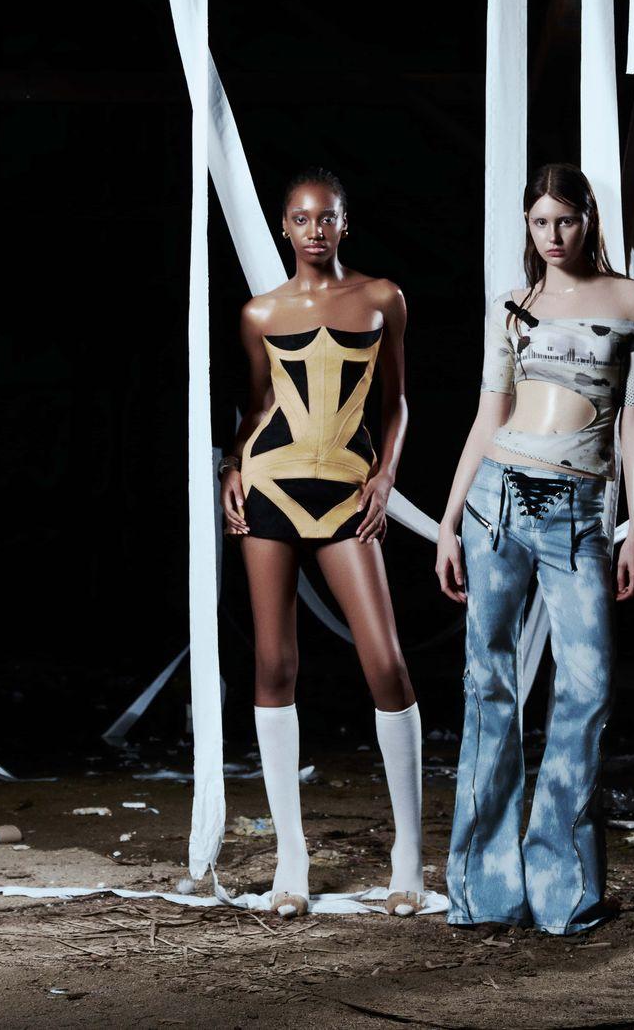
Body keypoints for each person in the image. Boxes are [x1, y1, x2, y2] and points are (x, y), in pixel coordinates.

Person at [436, 162, 634, 935]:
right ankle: (486, 891)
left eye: (566, 220)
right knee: (487, 684)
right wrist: (448, 520)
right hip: (497, 500)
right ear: (527, 227)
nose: (553, 235)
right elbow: (488, 415)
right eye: (540, 222)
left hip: (578, 511)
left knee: (587, 687)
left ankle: (561, 889)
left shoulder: (632, 301)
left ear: (588, 220)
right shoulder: (514, 306)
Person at [219, 167, 425, 918]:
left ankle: (409, 857)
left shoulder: (381, 297)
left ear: (344, 223)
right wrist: (229, 468)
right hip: (269, 488)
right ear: (285, 227)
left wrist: (385, 478)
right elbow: (257, 407)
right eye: (302, 219)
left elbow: (397, 404)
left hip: (346, 489)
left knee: (387, 665)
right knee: (274, 664)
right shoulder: (260, 312)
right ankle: (291, 861)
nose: (314, 230)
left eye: (326, 217)